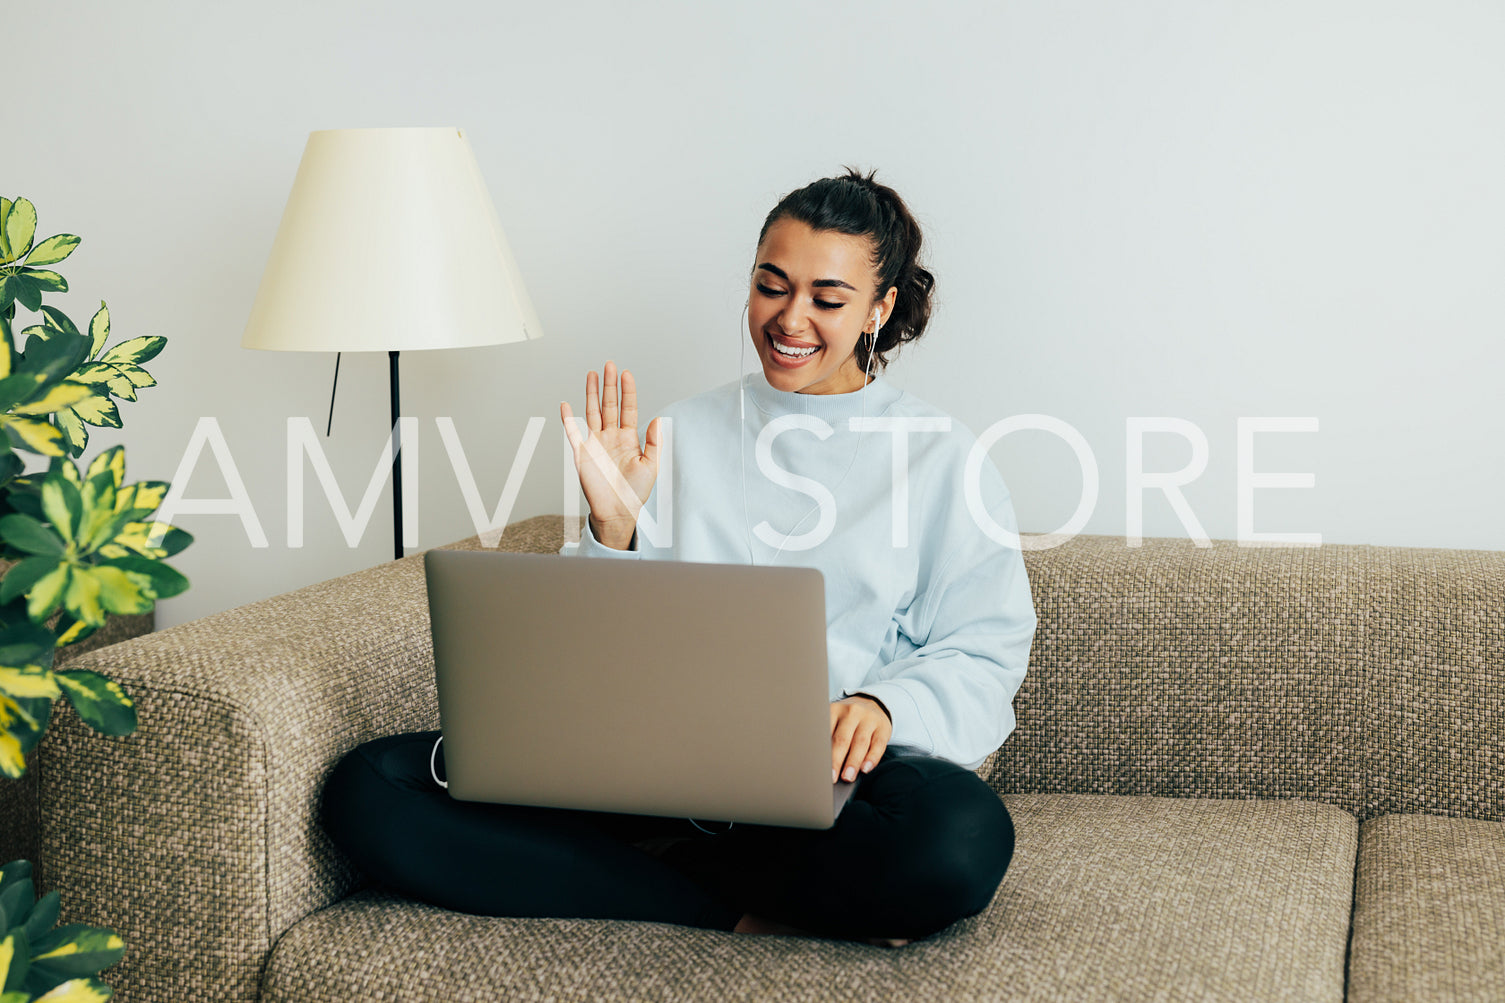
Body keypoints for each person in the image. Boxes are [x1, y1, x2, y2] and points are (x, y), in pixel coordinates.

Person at [321, 167, 1037, 949]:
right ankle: (716, 903)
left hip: (826, 788)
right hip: (646, 772)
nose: (790, 318)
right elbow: (586, 656)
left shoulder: (939, 458)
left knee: (957, 839)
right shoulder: (679, 434)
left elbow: (986, 645)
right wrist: (612, 528)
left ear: (880, 307)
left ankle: (638, 870)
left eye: (826, 299)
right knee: (370, 787)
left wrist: (882, 706)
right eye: (771, 285)